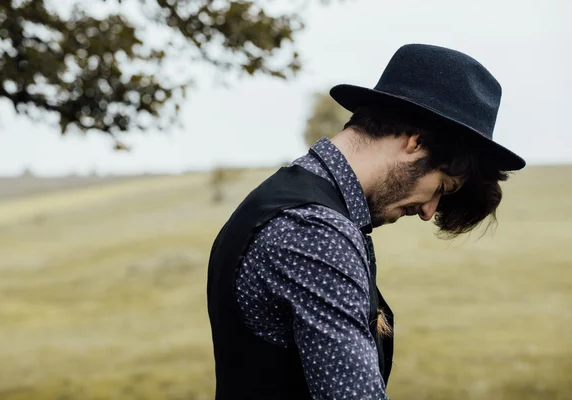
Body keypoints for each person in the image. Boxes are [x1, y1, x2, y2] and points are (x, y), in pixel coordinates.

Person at [206, 44, 525, 400]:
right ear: (416, 142)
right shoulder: (314, 230)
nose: (428, 211)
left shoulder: (288, 198)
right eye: (440, 188)